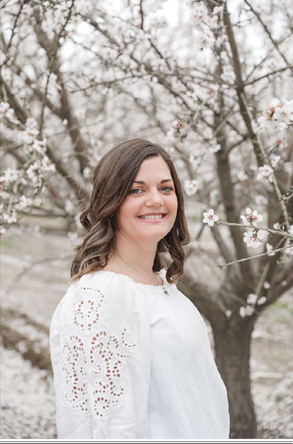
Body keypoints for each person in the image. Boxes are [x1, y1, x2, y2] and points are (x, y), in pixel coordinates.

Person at [50, 138, 230, 440]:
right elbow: (111, 427)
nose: (156, 200)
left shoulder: (161, 284)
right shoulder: (102, 296)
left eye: (165, 188)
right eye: (137, 190)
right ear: (111, 201)